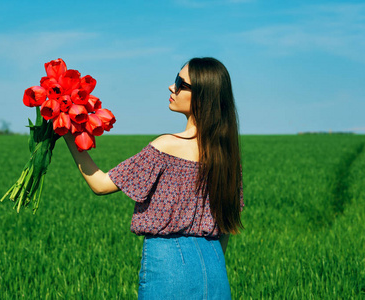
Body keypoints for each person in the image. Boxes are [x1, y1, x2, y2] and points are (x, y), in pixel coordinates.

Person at [63, 57, 244, 299]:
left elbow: (101, 185)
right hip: (215, 268)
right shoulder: (227, 156)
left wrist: (67, 131)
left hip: (170, 264)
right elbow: (225, 230)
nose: (172, 87)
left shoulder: (167, 146)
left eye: (181, 83)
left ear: (202, 96)